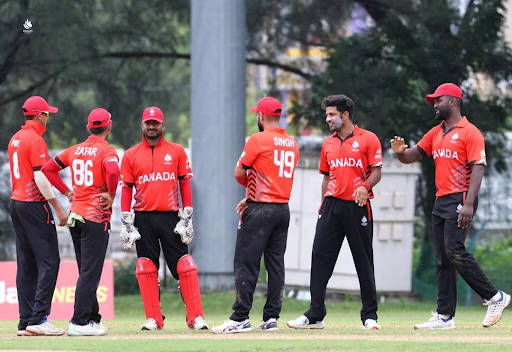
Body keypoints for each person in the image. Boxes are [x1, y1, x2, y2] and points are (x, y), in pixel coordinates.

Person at [390, 83, 510, 329]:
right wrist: (400, 153)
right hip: (441, 199)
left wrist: (467, 204)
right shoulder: (436, 132)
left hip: (460, 198)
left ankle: (495, 296)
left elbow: (478, 167)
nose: (435, 105)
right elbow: (412, 155)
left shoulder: (470, 132)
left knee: (454, 251)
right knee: (444, 258)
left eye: (438, 100)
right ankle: (445, 317)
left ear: (453, 101)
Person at [287, 94, 383, 331]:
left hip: (357, 206)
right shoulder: (328, 143)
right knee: (319, 258)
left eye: (331, 114)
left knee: (363, 261)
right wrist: (322, 205)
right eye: (327, 114)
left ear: (345, 115)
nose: (327, 118)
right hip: (330, 207)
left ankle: (369, 316)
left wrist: (365, 186)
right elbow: (326, 177)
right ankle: (315, 313)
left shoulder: (368, 139)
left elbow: (377, 172)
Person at [211, 97, 300, 334]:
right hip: (282, 209)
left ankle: (240, 317)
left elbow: (239, 172)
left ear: (261, 116)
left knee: (246, 262)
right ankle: (271, 318)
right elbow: (278, 175)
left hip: (260, 209)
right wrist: (252, 192)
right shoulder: (292, 143)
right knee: (275, 265)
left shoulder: (257, 139)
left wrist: (251, 192)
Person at [119, 106, 208, 331]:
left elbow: (184, 182)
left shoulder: (176, 151)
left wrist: (187, 214)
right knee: (146, 267)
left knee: (185, 267)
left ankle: (196, 317)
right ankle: (154, 319)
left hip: (170, 216)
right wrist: (126, 220)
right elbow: (127, 188)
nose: (151, 126)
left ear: (163, 126)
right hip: (143, 218)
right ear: (142, 125)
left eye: (155, 123)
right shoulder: (131, 155)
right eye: (148, 123)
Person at [41, 108, 119, 336]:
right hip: (96, 218)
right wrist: (112, 195)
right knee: (90, 272)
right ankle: (79, 322)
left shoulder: (75, 150)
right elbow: (113, 170)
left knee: (86, 270)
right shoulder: (107, 150)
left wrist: (66, 192)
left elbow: (48, 168)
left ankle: (93, 319)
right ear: (109, 127)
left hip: (76, 217)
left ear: (88, 128)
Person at [8, 96, 70, 337]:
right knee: (50, 261)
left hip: (17, 203)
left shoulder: (16, 138)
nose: (48, 118)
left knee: (26, 264)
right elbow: (40, 177)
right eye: (47, 114)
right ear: (40, 115)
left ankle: (26, 321)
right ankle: (38, 318)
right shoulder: (35, 140)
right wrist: (58, 206)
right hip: (34, 204)